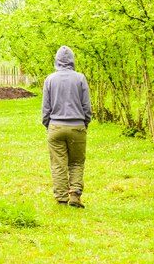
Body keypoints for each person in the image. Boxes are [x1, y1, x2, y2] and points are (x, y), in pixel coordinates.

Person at [42, 46, 92, 208]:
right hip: (77, 126)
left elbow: (46, 108)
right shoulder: (80, 79)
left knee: (58, 164)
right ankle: (75, 196)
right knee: (76, 162)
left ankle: (61, 199)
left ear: (56, 60)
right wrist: (84, 123)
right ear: (72, 60)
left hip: (55, 127)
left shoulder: (50, 79)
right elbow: (86, 106)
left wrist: (48, 124)